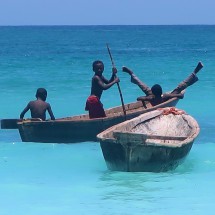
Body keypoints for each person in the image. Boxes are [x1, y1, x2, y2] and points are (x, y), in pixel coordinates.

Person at [122, 62, 203, 106]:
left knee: (144, 87)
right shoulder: (165, 96)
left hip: (155, 98)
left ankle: (132, 74)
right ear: (161, 91)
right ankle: (195, 72)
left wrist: (147, 97)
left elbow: (138, 98)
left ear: (153, 93)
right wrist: (175, 95)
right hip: (162, 98)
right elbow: (181, 96)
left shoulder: (151, 98)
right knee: (179, 88)